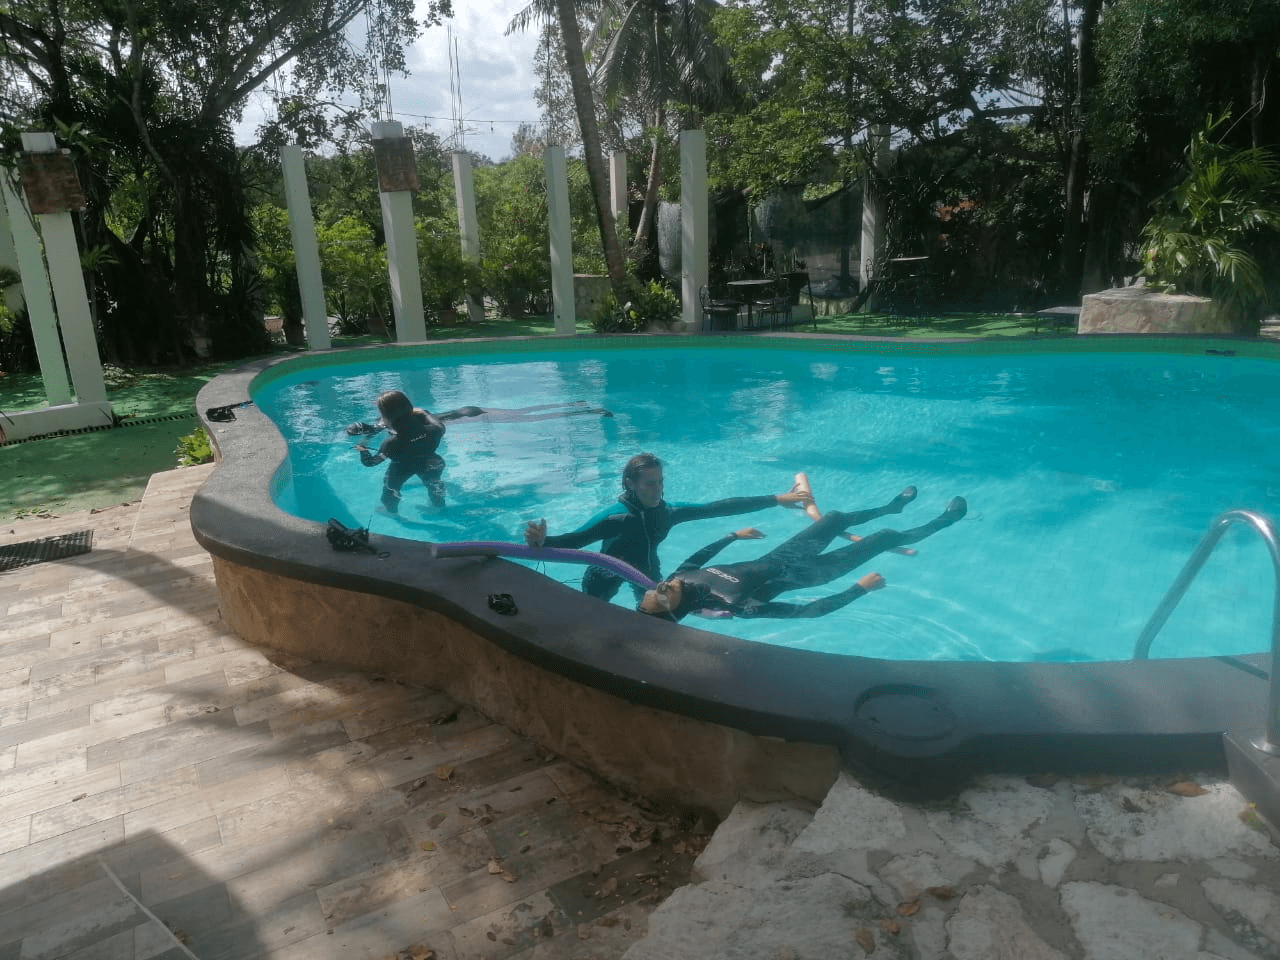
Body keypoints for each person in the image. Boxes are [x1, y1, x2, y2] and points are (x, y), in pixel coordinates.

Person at [637, 489, 967, 621]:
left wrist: (732, 536)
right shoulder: (734, 605)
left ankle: (892, 507)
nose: (664, 586)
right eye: (666, 593)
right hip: (811, 573)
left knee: (836, 517)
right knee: (885, 538)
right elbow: (806, 612)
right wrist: (860, 589)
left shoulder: (676, 579)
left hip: (784, 553)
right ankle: (947, 520)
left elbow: (697, 558)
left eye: (659, 588)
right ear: (681, 606)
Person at [524, 452, 814, 601]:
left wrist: (777, 499)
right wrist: (541, 542)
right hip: (604, 573)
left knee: (655, 619)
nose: (658, 489)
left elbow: (718, 508)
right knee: (593, 618)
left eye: (661, 481)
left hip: (648, 571)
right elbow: (575, 543)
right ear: (630, 483)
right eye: (650, 483)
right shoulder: (614, 517)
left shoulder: (667, 512)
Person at [354, 390, 448, 512]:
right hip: (431, 462)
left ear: (386, 416)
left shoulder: (391, 444)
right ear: (410, 407)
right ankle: (439, 506)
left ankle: (391, 512)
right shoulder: (436, 430)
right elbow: (432, 419)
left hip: (401, 468)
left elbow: (371, 462)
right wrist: (421, 412)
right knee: (434, 484)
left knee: (391, 488)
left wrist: (362, 449)